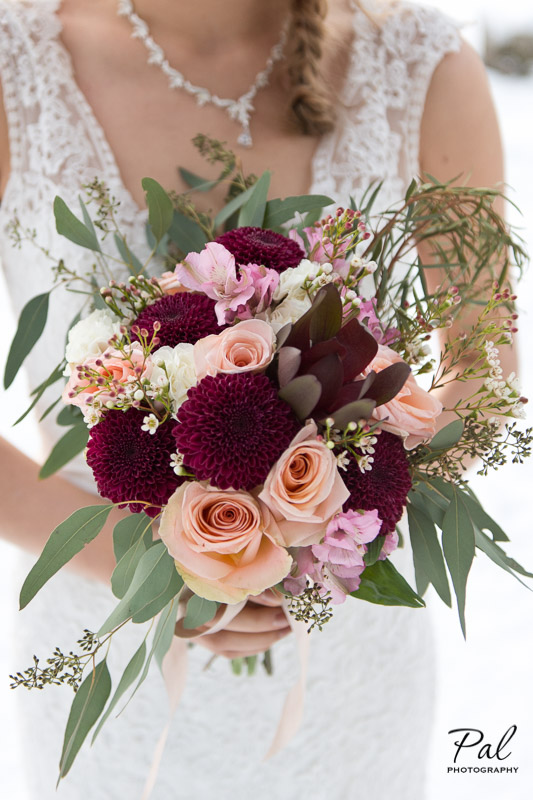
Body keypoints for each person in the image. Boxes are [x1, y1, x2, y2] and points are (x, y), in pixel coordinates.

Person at [0, 1, 513, 798]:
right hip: (114, 647)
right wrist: (165, 571)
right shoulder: (16, 65)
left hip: (345, 662)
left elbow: (484, 366)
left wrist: (314, 542)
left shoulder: (417, 63)